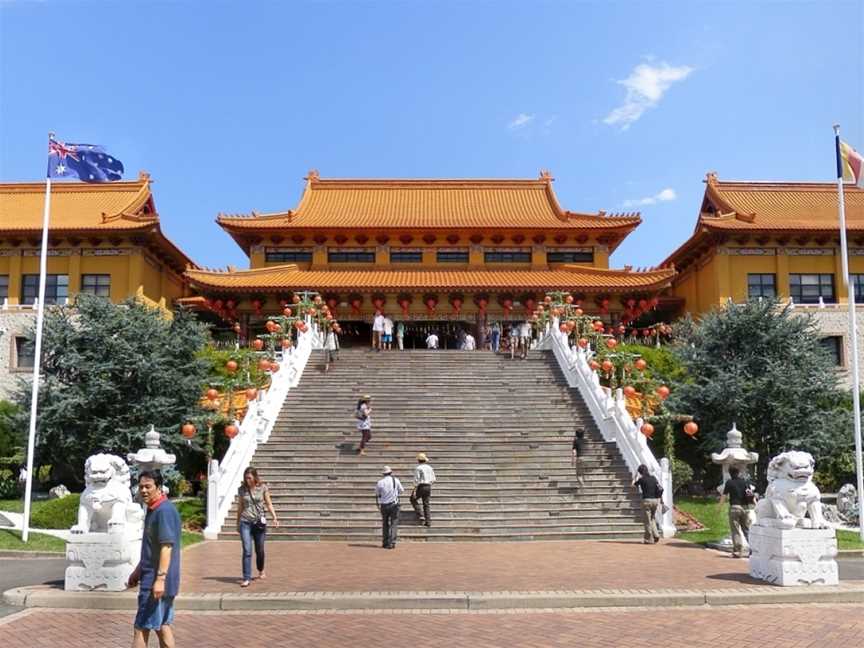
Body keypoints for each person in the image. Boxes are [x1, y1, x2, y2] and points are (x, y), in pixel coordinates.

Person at [127, 470, 181, 648]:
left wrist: (160, 580)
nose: (143, 490)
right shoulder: (154, 509)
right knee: (162, 626)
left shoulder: (163, 511)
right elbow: (152, 548)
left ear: (158, 488)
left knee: (141, 627)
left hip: (155, 583)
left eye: (148, 486)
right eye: (141, 486)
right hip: (156, 579)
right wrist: (138, 571)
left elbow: (166, 547)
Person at [236, 466, 279, 587]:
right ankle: (246, 578)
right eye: (246, 478)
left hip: (259, 523)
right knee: (247, 550)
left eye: (249, 478)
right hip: (245, 522)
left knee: (259, 550)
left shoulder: (263, 488)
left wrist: (275, 517)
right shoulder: (242, 490)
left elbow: (269, 504)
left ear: (255, 477)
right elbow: (240, 507)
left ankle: (261, 569)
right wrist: (237, 522)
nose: (247, 480)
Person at [719, 466, 758, 558]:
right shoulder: (745, 482)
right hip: (745, 508)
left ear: (730, 473)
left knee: (735, 530)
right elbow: (751, 495)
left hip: (734, 508)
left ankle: (737, 551)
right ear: (739, 472)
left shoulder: (729, 482)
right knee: (746, 529)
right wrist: (756, 505)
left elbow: (724, 496)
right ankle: (753, 549)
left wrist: (719, 507)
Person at [633, 464, 663, 544]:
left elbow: (633, 485)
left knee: (647, 521)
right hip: (655, 501)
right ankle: (656, 535)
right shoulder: (653, 478)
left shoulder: (641, 479)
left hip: (646, 501)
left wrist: (635, 477)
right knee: (652, 518)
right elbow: (659, 488)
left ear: (640, 472)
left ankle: (648, 539)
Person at [375, 466, 404, 549]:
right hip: (394, 504)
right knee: (394, 523)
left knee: (385, 524)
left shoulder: (380, 482)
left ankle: (385, 542)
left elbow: (377, 493)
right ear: (391, 473)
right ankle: (392, 542)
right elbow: (401, 490)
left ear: (383, 473)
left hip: (384, 505)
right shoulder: (396, 480)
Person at [410, 452, 436, 526]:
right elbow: (434, 479)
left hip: (421, 486)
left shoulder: (418, 468)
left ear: (418, 460)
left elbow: (416, 480)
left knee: (412, 499)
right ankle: (428, 522)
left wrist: (414, 490)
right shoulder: (430, 468)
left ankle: (421, 514)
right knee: (426, 504)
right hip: (428, 486)